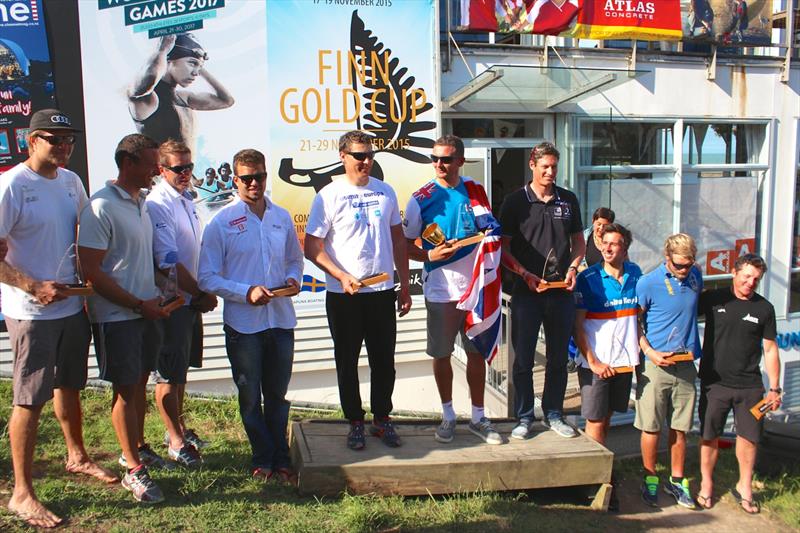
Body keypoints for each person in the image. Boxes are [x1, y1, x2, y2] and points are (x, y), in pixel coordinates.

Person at [0, 109, 117, 528]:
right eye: (56, 138)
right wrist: (32, 286)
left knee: (70, 384)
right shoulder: (12, 185)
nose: (65, 146)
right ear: (32, 141)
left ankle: (77, 456)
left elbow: (83, 237)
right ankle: (21, 493)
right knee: (29, 398)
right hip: (31, 312)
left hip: (71, 305)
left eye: (70, 139)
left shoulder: (71, 182)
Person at [198, 149, 303, 482]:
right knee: (249, 395)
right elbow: (206, 277)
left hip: (281, 319)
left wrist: (293, 280)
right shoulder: (222, 222)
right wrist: (246, 292)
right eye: (246, 178)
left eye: (259, 176)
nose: (254, 183)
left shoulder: (281, 216)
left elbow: (294, 260)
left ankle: (281, 458)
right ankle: (262, 457)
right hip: (244, 325)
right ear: (235, 180)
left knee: (277, 395)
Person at [78, 133, 171, 504]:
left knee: (140, 384)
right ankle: (132, 467)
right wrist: (136, 303)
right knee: (125, 389)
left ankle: (136, 447)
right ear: (127, 163)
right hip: (118, 316)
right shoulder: (100, 207)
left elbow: (139, 260)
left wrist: (165, 287)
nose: (157, 171)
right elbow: (92, 273)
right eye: (152, 165)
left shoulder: (142, 203)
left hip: (146, 312)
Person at [305, 130, 412, 450]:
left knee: (384, 360)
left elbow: (397, 241)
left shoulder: (385, 191)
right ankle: (354, 421)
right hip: (344, 295)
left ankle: (382, 419)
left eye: (369, 155)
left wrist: (404, 285)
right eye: (358, 156)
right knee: (347, 360)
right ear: (343, 157)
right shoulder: (328, 195)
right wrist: (341, 275)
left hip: (380, 292)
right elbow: (312, 247)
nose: (366, 161)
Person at [403, 135, 502, 445]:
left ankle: (477, 416)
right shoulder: (421, 198)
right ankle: (448, 416)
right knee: (441, 354)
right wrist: (430, 255)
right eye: (435, 158)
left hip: (476, 287)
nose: (439, 164)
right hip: (441, 291)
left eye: (446, 159)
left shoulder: (475, 190)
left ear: (460, 160)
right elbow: (405, 246)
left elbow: (491, 230)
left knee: (477, 353)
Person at [499, 141, 586, 439]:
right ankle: (524, 417)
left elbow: (579, 241)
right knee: (523, 359)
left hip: (561, 292)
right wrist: (523, 273)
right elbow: (503, 247)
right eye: (545, 166)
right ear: (532, 165)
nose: (550, 172)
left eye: (554, 167)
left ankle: (553, 414)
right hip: (526, 293)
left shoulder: (568, 200)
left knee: (558, 358)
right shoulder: (515, 202)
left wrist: (573, 268)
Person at [146, 139, 218, 467]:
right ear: (161, 170)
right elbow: (167, 262)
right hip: (173, 301)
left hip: (189, 299)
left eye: (189, 167)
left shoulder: (185, 198)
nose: (186, 173)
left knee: (181, 371)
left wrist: (199, 293)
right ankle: (175, 441)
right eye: (178, 169)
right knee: (167, 375)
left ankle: (178, 429)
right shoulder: (158, 203)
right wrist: (199, 293)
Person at [696, 254, 781, 514]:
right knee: (709, 436)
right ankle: (707, 484)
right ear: (734, 272)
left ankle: (745, 486)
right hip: (715, 383)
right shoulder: (713, 299)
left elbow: (770, 350)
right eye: (746, 276)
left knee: (749, 438)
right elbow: (681, 310)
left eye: (756, 279)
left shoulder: (764, 308)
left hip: (750, 387)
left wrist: (774, 388)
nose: (750, 282)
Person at [574, 223, 641, 511]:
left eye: (616, 243)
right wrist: (593, 361)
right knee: (595, 421)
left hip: (624, 364)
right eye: (605, 243)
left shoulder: (637, 274)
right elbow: (577, 326)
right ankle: (593, 483)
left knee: (608, 418)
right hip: (596, 364)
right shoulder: (588, 278)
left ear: (625, 248)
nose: (609, 247)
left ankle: (603, 473)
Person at [635, 234, 703, 509]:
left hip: (686, 365)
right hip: (656, 366)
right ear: (667, 258)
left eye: (688, 264)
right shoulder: (648, 282)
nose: (684, 270)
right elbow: (633, 323)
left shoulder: (696, 275)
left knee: (680, 427)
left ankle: (677, 481)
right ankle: (650, 479)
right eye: (678, 266)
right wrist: (649, 352)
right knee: (651, 427)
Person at [128, 33, 234, 151]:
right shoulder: (148, 99)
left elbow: (226, 101)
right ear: (169, 61)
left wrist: (200, 63)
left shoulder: (184, 98)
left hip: (187, 168)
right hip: (160, 169)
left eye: (199, 67)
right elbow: (146, 81)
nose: (196, 73)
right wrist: (162, 52)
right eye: (192, 63)